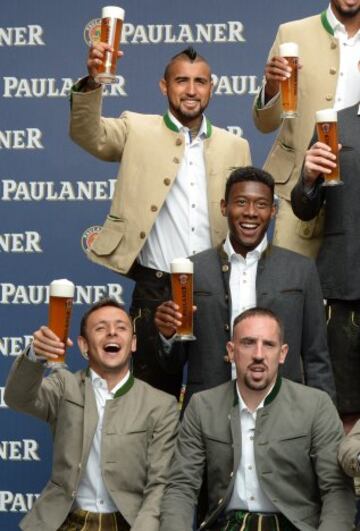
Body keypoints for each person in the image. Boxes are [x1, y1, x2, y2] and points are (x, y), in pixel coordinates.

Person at [69, 45, 251, 399]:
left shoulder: (236, 145)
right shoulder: (136, 127)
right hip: (155, 287)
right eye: (181, 80)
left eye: (200, 81)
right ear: (163, 87)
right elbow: (88, 134)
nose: (191, 90)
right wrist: (93, 82)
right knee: (151, 397)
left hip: (214, 286)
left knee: (215, 393)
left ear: (212, 87)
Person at [155, 166, 335, 410]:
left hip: (283, 413)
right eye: (241, 202)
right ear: (224, 207)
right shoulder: (190, 271)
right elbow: (171, 366)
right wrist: (167, 336)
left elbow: (317, 359)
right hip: (209, 414)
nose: (251, 212)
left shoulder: (301, 270)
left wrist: (324, 423)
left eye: (261, 204)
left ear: (272, 211)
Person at [159, 307, 354, 531]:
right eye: (248, 343)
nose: (259, 354)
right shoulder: (202, 406)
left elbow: (337, 490)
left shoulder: (316, 405)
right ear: (231, 351)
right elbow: (181, 488)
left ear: (282, 353)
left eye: (269, 344)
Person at [4, 298, 179, 531]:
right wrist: (35, 354)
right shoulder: (64, 386)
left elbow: (160, 485)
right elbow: (17, 397)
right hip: (64, 522)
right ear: (84, 346)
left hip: (129, 522)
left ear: (133, 343)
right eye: (100, 328)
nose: (112, 333)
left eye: (121, 327)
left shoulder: (160, 404)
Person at [253, 0, 360, 258]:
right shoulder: (292, 34)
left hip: (354, 194)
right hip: (298, 189)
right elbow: (264, 124)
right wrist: (271, 88)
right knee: (290, 291)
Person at [291, 101, 360, 433]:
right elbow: (304, 208)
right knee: (343, 408)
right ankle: (345, 485)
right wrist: (307, 177)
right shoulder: (333, 124)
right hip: (344, 288)